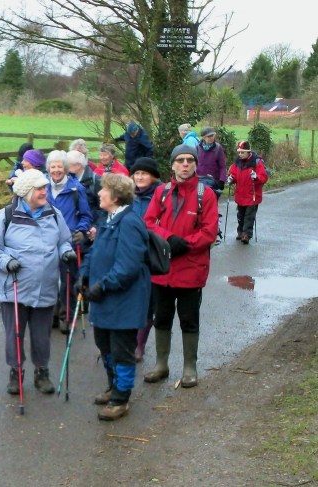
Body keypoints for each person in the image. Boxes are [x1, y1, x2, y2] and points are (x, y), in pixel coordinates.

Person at [0, 169, 74, 395]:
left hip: (45, 287)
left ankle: (42, 372)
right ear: (26, 192)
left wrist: (66, 252)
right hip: (13, 287)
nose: (44, 192)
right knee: (14, 334)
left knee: (42, 335)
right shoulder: (6, 216)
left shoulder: (54, 214)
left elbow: (64, 240)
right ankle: (16, 372)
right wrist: (6, 261)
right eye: (40, 188)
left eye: (45, 188)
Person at [76, 173, 151, 421]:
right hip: (104, 299)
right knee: (105, 346)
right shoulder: (108, 219)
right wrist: (84, 276)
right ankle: (113, 386)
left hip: (124, 300)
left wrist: (102, 286)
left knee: (122, 351)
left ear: (116, 197)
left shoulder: (129, 223)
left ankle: (121, 399)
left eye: (104, 190)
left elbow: (128, 266)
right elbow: (94, 253)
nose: (99, 193)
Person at [143, 145, 218, 389]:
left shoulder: (205, 194)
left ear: (195, 164)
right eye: (180, 160)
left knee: (189, 319)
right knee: (162, 318)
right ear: (173, 165)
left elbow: (209, 231)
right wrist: (168, 239)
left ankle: (189, 367)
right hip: (163, 268)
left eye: (189, 160)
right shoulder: (161, 192)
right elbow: (148, 222)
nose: (185, 164)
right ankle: (161, 364)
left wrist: (185, 244)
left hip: (191, 268)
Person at [46, 150, 92, 334]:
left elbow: (86, 215)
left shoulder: (76, 189)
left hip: (69, 242)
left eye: (59, 166)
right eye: (53, 166)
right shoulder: (42, 187)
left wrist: (80, 230)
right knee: (49, 280)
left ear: (65, 168)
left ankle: (67, 315)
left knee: (67, 281)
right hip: (46, 242)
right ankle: (51, 314)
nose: (56, 170)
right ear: (48, 168)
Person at [127, 157, 162, 362]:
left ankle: (139, 344)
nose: (139, 177)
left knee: (148, 302)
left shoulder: (161, 195)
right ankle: (127, 341)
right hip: (129, 253)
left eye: (144, 173)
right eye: (137, 173)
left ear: (153, 176)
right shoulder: (127, 195)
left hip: (151, 254)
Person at [227, 141, 268, 244]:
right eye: (239, 152)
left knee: (249, 216)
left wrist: (256, 177)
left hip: (252, 195)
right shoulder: (237, 162)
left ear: (248, 152)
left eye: (242, 152)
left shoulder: (257, 162)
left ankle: (246, 235)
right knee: (240, 215)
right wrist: (231, 179)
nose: (240, 154)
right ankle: (240, 232)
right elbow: (233, 174)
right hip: (240, 194)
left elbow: (263, 177)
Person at [196, 127, 227, 195]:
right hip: (199, 180)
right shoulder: (197, 148)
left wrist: (222, 181)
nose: (211, 138)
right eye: (209, 136)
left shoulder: (218, 148)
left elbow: (222, 166)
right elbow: (194, 165)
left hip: (213, 182)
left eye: (212, 135)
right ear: (203, 137)